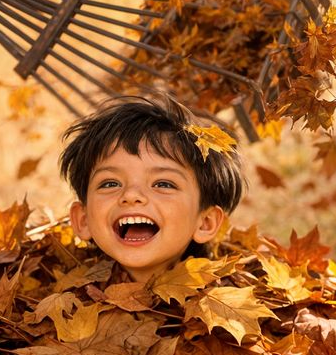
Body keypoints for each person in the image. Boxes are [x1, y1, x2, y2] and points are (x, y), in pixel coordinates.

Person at [58, 95, 244, 283]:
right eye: (110, 183)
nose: (130, 195)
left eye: (163, 184)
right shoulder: (55, 304)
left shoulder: (223, 308)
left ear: (206, 223)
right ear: (83, 220)